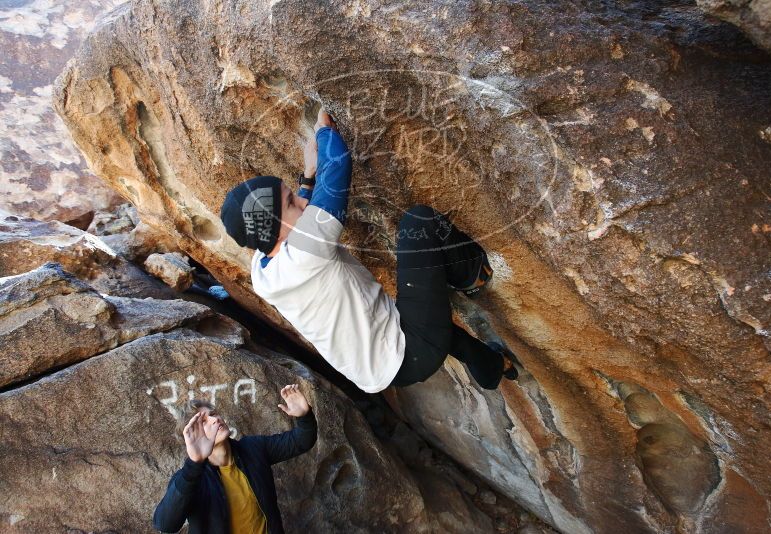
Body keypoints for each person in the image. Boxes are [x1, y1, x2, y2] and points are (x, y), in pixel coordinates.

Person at [220, 109, 518, 394]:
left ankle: (492, 367)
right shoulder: (302, 255)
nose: (302, 202)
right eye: (291, 201)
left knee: (434, 319)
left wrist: (308, 176)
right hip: (411, 351)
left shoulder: (263, 267)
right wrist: (323, 131)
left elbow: (296, 218)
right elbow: (337, 165)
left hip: (385, 363)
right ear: (275, 228)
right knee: (419, 221)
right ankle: (473, 276)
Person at [152, 384, 317, 534]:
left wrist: (304, 416)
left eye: (213, 414)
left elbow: (300, 442)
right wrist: (194, 463)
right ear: (192, 436)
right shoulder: (190, 479)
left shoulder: (253, 449)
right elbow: (165, 524)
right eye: (203, 421)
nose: (215, 420)